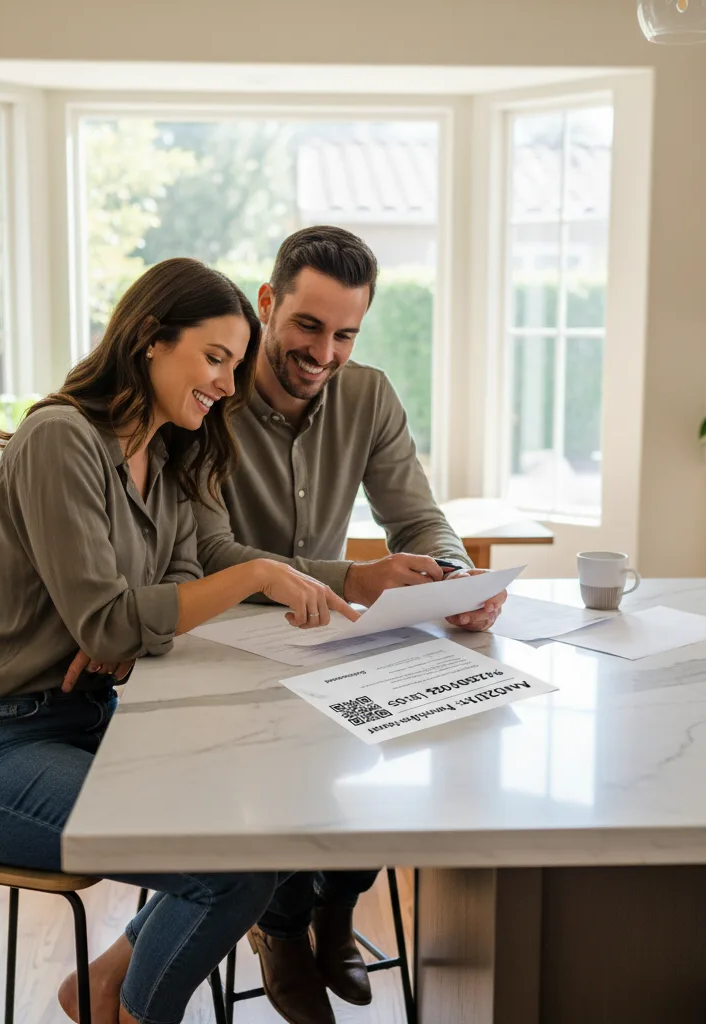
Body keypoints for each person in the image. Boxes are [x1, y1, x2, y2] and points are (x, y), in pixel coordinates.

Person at [0, 258, 358, 1024]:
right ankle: (129, 1011)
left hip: (86, 728)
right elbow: (121, 621)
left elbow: (169, 594)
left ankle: (103, 987)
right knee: (228, 872)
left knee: (287, 822)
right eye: (214, 358)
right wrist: (239, 576)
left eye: (232, 363)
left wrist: (136, 619)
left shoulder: (173, 453)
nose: (228, 384)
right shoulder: (61, 439)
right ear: (151, 340)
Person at [194, 226, 508, 1024]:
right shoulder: (206, 394)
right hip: (220, 639)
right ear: (267, 303)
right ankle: (281, 929)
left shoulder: (367, 395)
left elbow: (419, 518)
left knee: (408, 729)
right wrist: (351, 578)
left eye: (344, 334)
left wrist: (454, 577)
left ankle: (337, 909)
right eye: (307, 326)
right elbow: (206, 550)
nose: (324, 353)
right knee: (276, 774)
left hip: (322, 639)